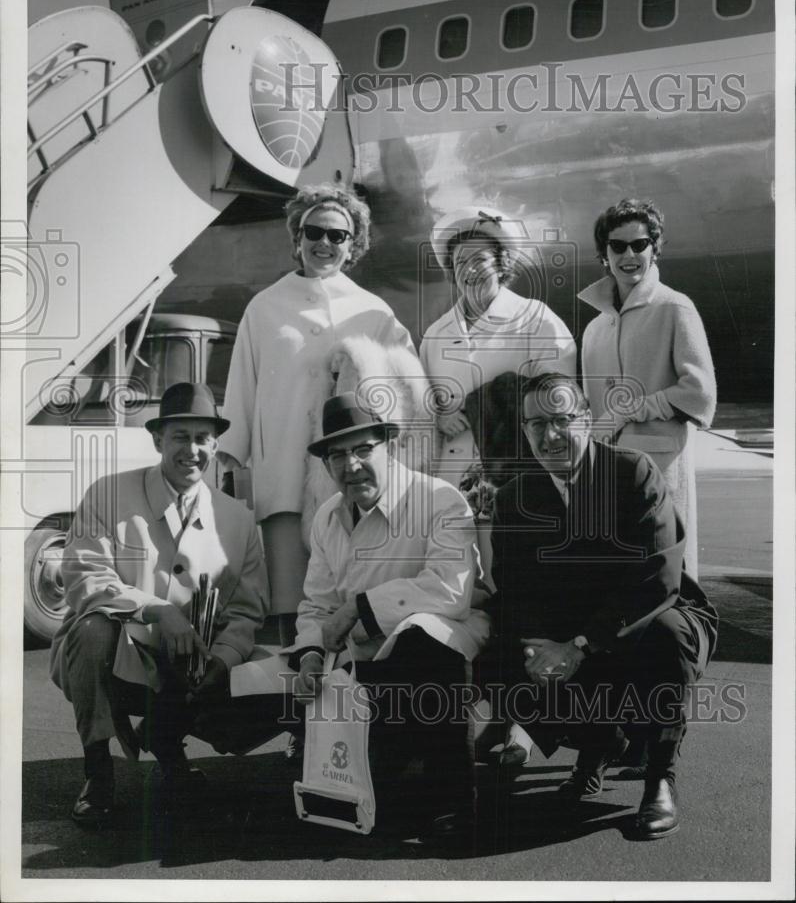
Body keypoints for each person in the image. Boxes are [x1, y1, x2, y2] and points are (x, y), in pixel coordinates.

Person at [485, 372, 718, 839]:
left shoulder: (632, 472)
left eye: (561, 420)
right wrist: (542, 646)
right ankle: (599, 745)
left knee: (667, 638)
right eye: (535, 424)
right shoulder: (514, 496)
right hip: (568, 628)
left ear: (587, 420)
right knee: (494, 652)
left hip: (648, 613)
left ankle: (659, 780)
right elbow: (514, 585)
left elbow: (657, 576)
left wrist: (579, 644)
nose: (548, 436)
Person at [253, 391, 490, 837]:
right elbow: (316, 604)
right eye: (338, 455)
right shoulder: (327, 517)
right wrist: (309, 655)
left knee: (424, 636)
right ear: (326, 465)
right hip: (365, 663)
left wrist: (358, 608)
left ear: (390, 446)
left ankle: (457, 803)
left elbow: (450, 590)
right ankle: (388, 759)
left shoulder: (439, 499)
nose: (352, 465)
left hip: (438, 651)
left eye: (364, 450)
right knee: (362, 794)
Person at [49, 382, 268, 827]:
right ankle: (98, 772)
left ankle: (170, 754)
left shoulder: (239, 519)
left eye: (202, 437)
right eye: (180, 437)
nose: (192, 449)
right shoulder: (108, 494)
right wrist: (157, 610)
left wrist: (222, 662)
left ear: (216, 443)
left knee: (272, 685)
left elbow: (246, 611)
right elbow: (84, 577)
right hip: (116, 657)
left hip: (189, 666)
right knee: (93, 630)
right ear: (157, 441)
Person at [218, 184, 420, 648]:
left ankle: (346, 701)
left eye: (338, 235)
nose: (324, 243)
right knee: (289, 600)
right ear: (297, 237)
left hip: (354, 475)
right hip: (283, 472)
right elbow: (241, 388)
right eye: (314, 232)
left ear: (354, 246)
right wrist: (231, 459)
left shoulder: (375, 311)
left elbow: (406, 391)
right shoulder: (264, 307)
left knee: (349, 594)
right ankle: (292, 699)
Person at [579, 198, 716, 579]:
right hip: (607, 469)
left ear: (654, 248)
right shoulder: (595, 329)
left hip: (660, 467)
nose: (629, 255)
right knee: (617, 577)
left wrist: (632, 408)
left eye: (639, 244)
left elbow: (700, 392)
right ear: (604, 254)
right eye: (618, 246)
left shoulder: (675, 307)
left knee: (669, 574)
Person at [420, 207, 576, 492]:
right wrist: (439, 415)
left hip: (520, 475)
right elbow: (421, 399)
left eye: (480, 259)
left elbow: (561, 400)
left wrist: (496, 398)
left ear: (501, 265)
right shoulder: (435, 335)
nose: (469, 269)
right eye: (460, 261)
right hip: (450, 480)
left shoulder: (536, 319)